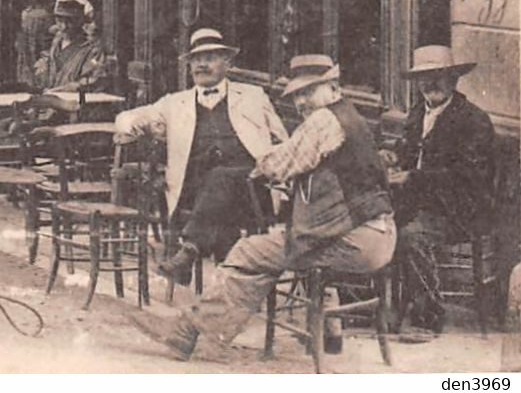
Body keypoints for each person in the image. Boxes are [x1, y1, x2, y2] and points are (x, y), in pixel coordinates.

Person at [130, 54, 396, 361]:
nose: (301, 102)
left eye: (308, 91)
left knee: (248, 252)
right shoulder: (351, 115)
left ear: (332, 86)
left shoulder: (325, 120)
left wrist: (257, 168)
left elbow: (281, 164)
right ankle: (328, 330)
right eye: (296, 95)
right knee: (273, 255)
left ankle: (187, 330)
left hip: (354, 241)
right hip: (376, 236)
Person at [115, 27, 289, 283]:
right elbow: (125, 118)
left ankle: (189, 252)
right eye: (196, 59)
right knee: (219, 202)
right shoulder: (175, 103)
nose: (201, 65)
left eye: (209, 57)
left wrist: (275, 172)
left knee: (220, 178)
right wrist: (135, 127)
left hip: (252, 190)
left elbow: (281, 139)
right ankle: (232, 281)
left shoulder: (253, 96)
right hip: (196, 193)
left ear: (227, 62)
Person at [388, 44, 496, 331]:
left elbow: (467, 176)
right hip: (419, 203)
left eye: (438, 76)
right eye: (424, 77)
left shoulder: (473, 120)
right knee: (374, 223)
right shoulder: (417, 114)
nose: (430, 84)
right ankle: (381, 307)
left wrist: (414, 178)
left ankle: (428, 316)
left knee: (411, 237)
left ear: (453, 79)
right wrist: (394, 157)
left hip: (459, 209)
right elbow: (409, 153)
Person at [33, 0, 111, 92]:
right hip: (52, 98)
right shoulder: (56, 42)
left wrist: (74, 86)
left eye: (70, 21)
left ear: (80, 22)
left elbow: (95, 77)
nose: (64, 26)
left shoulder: (92, 49)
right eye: (60, 21)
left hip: (75, 100)